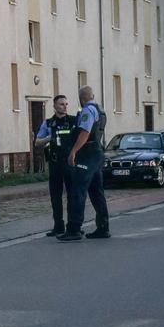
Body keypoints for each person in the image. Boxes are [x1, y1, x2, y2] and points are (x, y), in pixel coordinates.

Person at [60, 84, 110, 241]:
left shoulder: (87, 111)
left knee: (77, 191)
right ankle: (103, 227)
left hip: (87, 154)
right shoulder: (100, 110)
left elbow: (85, 132)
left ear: (82, 98)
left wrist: (73, 151)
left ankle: (74, 229)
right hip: (97, 153)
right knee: (96, 193)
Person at [34, 94, 75, 236]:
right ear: (55, 106)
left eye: (66, 104)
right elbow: (37, 142)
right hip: (55, 162)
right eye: (61, 104)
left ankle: (73, 225)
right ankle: (58, 225)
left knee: (72, 195)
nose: (64, 107)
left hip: (70, 163)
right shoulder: (48, 123)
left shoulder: (72, 121)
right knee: (55, 196)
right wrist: (48, 138)